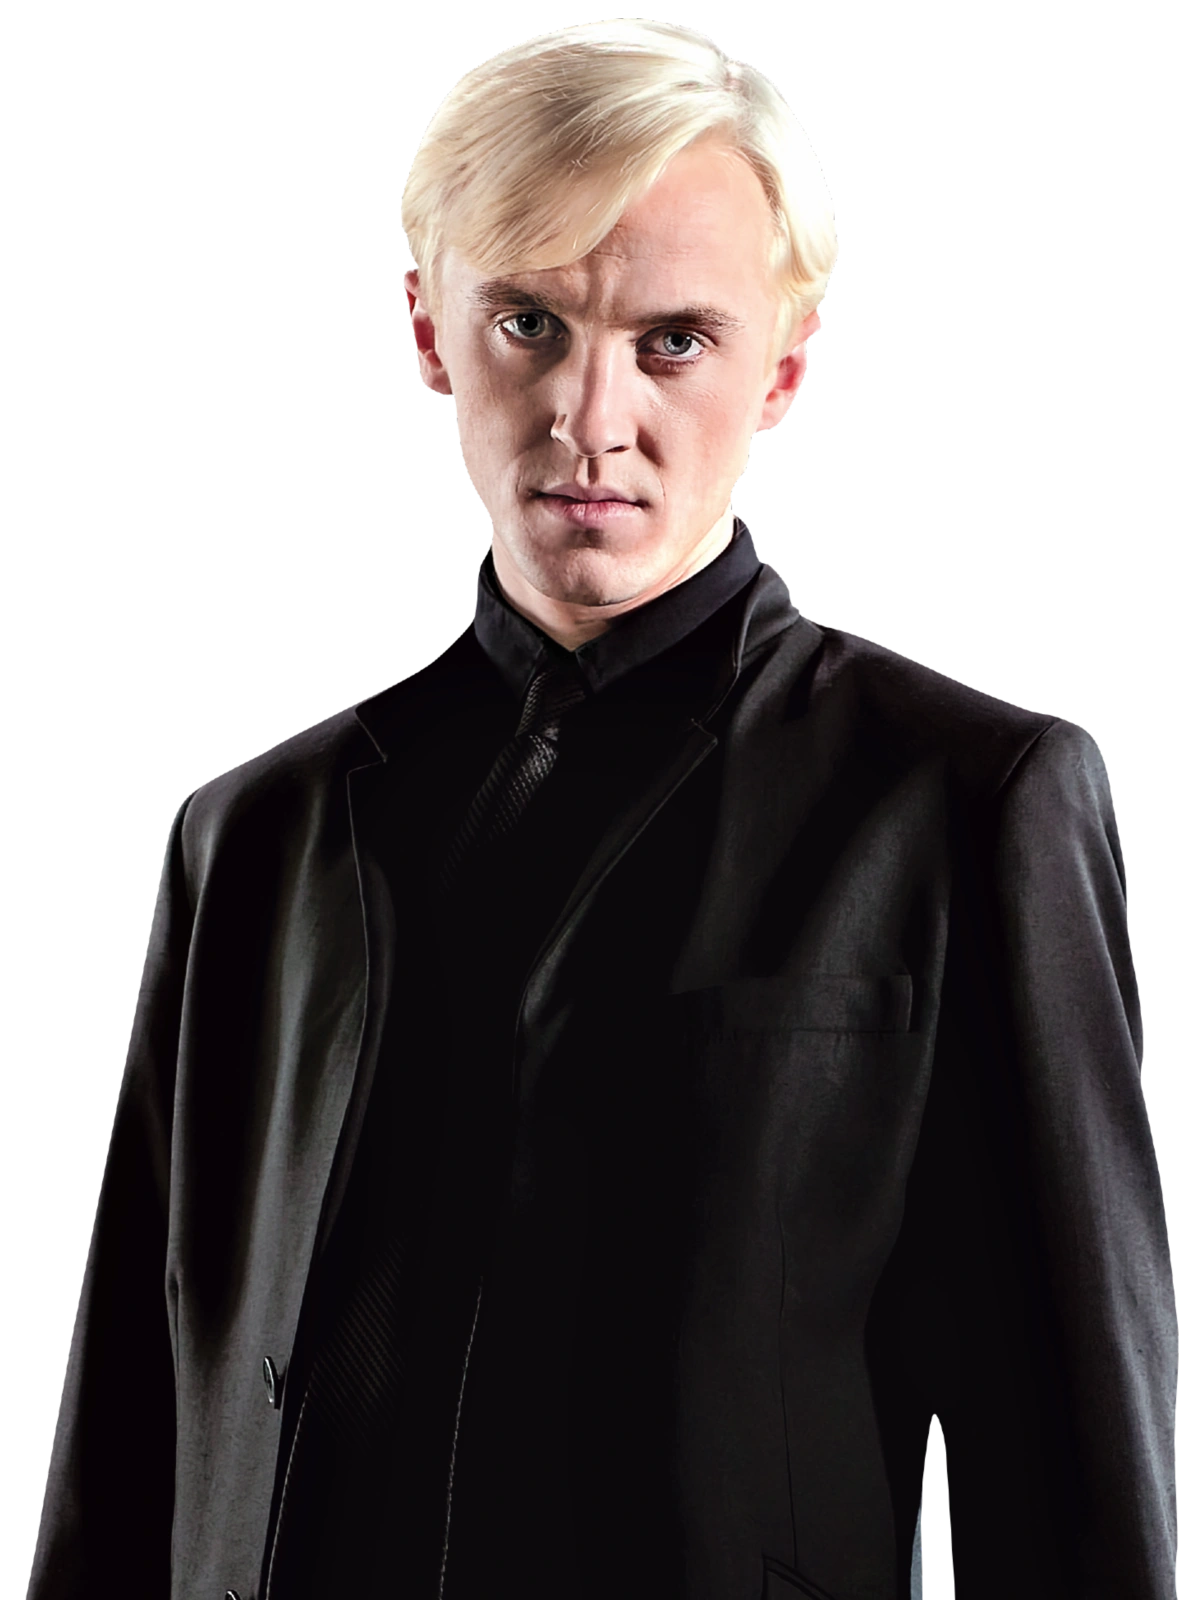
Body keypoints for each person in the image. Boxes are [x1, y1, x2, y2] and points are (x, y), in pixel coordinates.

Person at [29, 19, 1177, 1600]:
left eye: (674, 340)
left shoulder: (971, 798)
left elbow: (1078, 1475)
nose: (590, 415)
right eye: (531, 322)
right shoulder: (247, 837)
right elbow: (127, 1444)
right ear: (430, 331)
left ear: (783, 368)